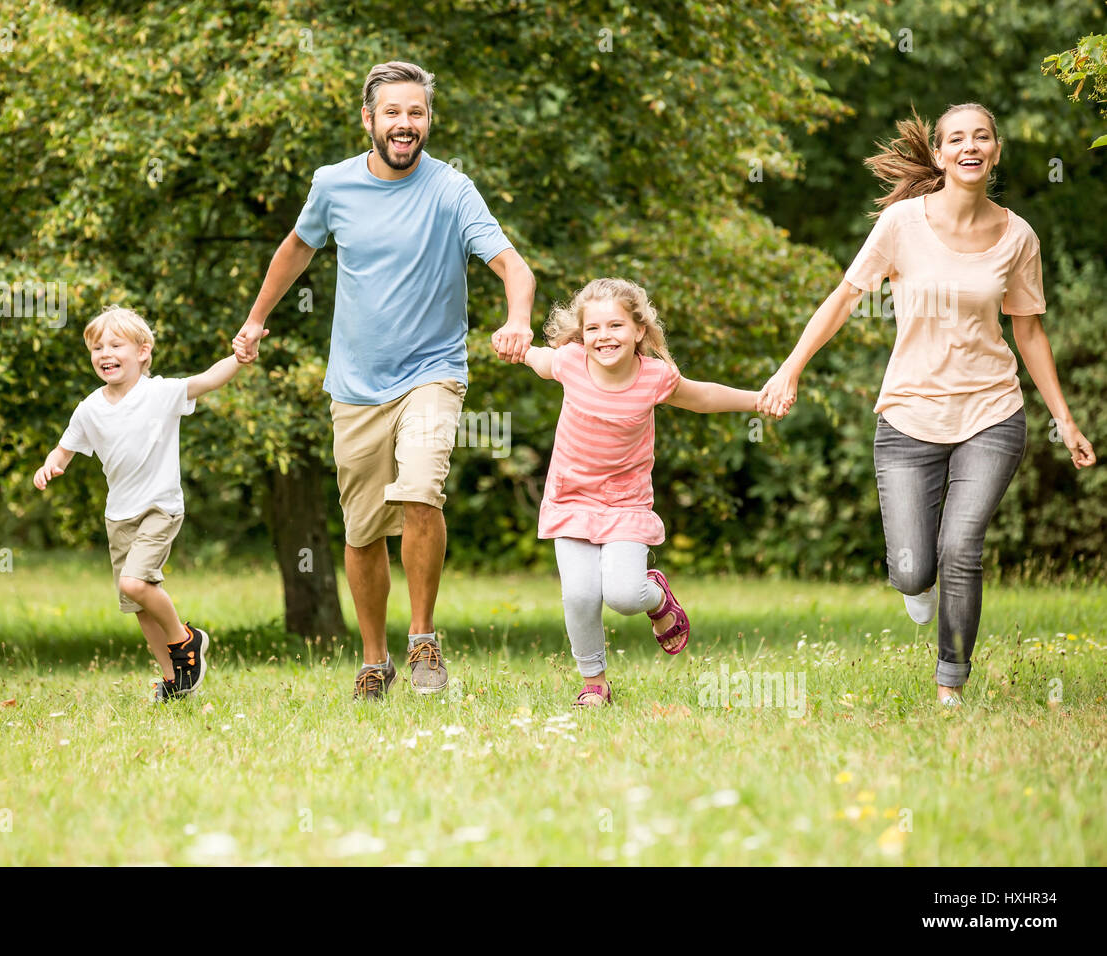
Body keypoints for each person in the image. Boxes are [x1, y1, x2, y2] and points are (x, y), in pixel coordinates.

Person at [759, 104, 1096, 706]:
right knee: (915, 569)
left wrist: (1063, 419)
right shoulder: (900, 225)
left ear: (995, 151)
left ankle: (950, 686)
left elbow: (1030, 333)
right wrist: (791, 367)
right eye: (957, 139)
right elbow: (844, 299)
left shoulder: (1019, 236)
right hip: (908, 414)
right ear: (940, 155)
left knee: (962, 548)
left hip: (992, 411)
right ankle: (914, 584)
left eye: (982, 136)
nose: (970, 146)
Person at [232, 61, 536, 700]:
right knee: (363, 530)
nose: (406, 124)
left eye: (416, 113)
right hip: (354, 385)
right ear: (368, 120)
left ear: (428, 120)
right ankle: (374, 660)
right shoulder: (333, 185)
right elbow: (296, 248)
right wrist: (257, 319)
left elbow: (514, 267)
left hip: (433, 372)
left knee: (422, 487)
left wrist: (517, 320)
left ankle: (423, 639)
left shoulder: (453, 191)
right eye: (393, 113)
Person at [519, 278, 767, 707]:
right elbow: (535, 356)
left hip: (626, 504)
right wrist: (513, 342)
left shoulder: (655, 377)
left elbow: (704, 396)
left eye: (615, 325)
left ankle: (656, 595)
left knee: (623, 596)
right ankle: (594, 682)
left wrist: (757, 401)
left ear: (638, 330)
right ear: (582, 334)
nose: (603, 337)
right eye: (593, 328)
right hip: (571, 499)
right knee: (579, 594)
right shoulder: (569, 363)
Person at [34, 305, 244, 701]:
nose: (104, 353)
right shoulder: (90, 408)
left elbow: (208, 380)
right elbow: (64, 450)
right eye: (97, 348)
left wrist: (239, 356)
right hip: (119, 517)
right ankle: (174, 682)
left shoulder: (161, 393)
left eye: (116, 344)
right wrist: (49, 466)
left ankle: (188, 639)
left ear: (143, 352)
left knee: (135, 582)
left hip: (159, 508)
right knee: (137, 604)